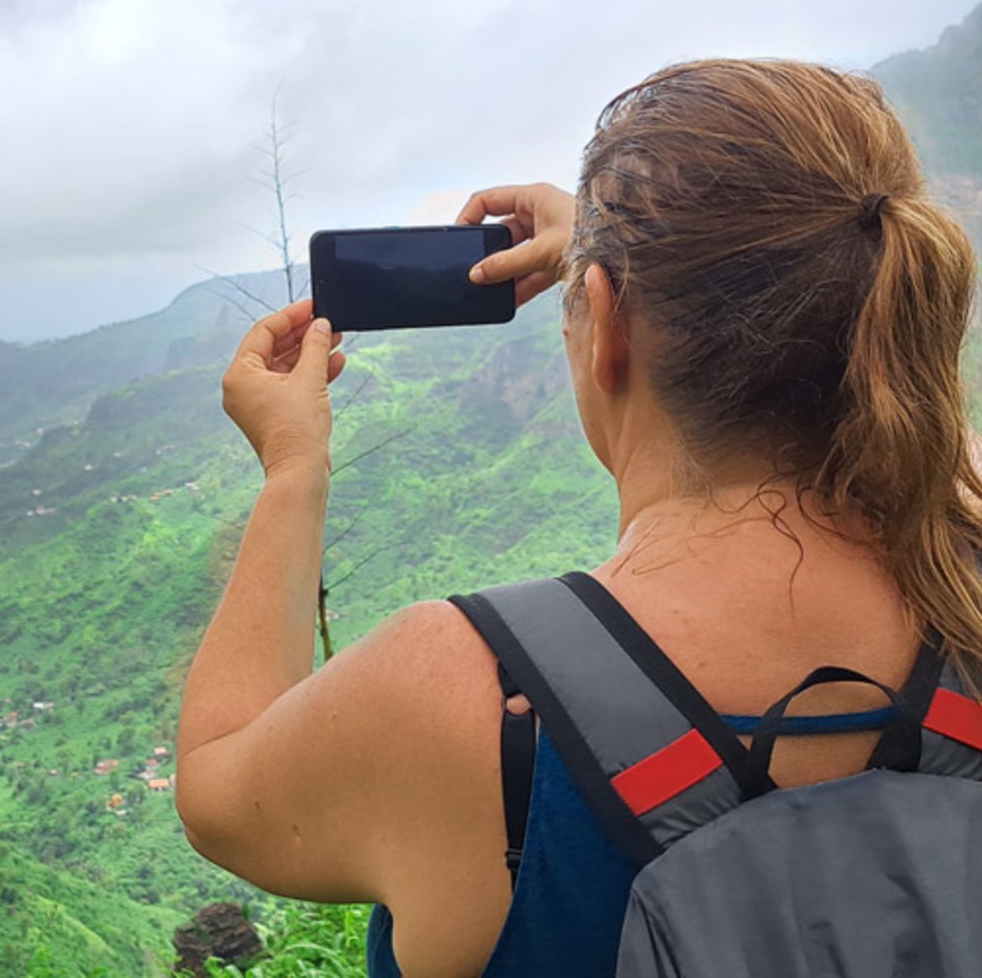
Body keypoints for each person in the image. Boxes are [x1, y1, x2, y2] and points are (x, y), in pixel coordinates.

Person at [175, 59, 982, 977]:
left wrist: (293, 470)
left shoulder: (454, 695)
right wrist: (636, 275)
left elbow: (216, 781)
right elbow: (932, 434)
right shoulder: (964, 585)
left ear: (604, 324)